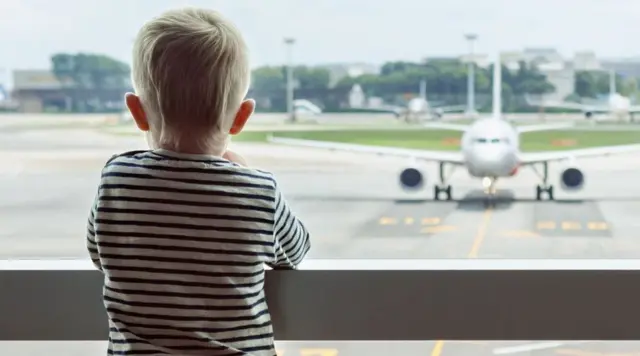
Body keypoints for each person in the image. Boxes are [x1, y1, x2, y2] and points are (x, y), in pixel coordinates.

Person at [85, 7, 311, 356]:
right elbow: (296, 252)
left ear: (137, 111)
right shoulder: (258, 191)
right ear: (241, 117)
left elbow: (100, 255)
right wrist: (243, 172)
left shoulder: (116, 179)